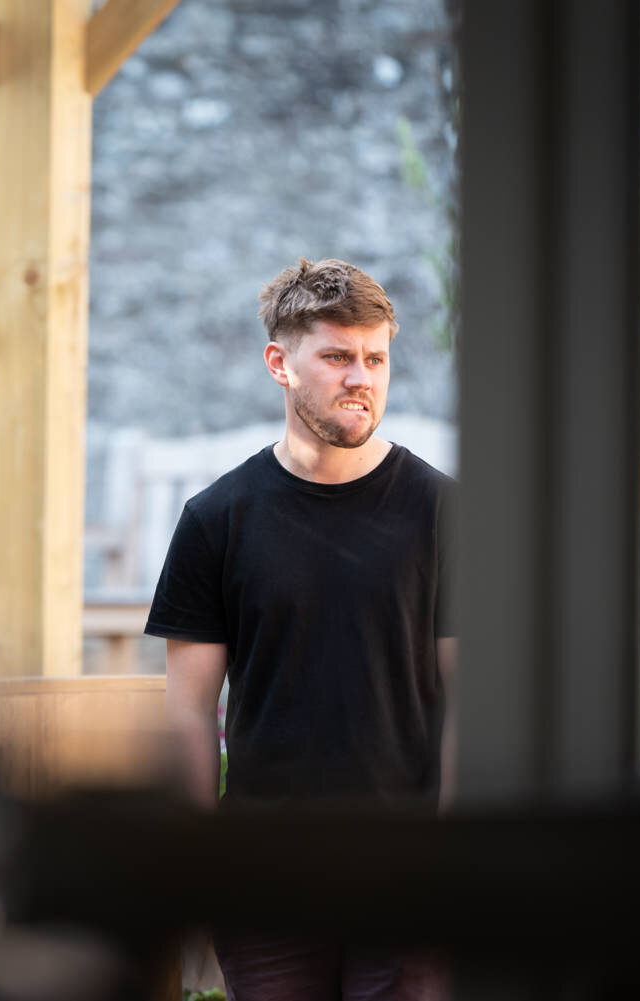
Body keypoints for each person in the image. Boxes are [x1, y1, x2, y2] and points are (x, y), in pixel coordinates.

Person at [145, 258, 456, 1001]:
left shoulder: (442, 513)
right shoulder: (216, 520)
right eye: (338, 356)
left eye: (376, 358)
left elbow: (470, 700)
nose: (362, 377)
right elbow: (189, 713)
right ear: (280, 364)